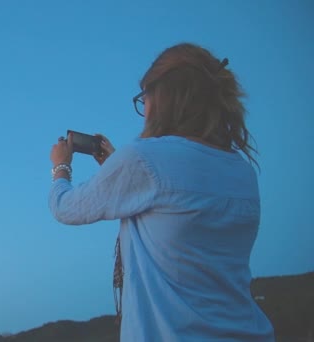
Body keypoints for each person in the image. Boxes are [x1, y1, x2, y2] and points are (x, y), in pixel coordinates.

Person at [48, 43, 275, 341]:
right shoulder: (242, 171)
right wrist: (115, 167)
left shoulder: (145, 160)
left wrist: (60, 167)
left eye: (145, 98)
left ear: (166, 97)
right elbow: (175, 212)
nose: (145, 111)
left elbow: (66, 207)